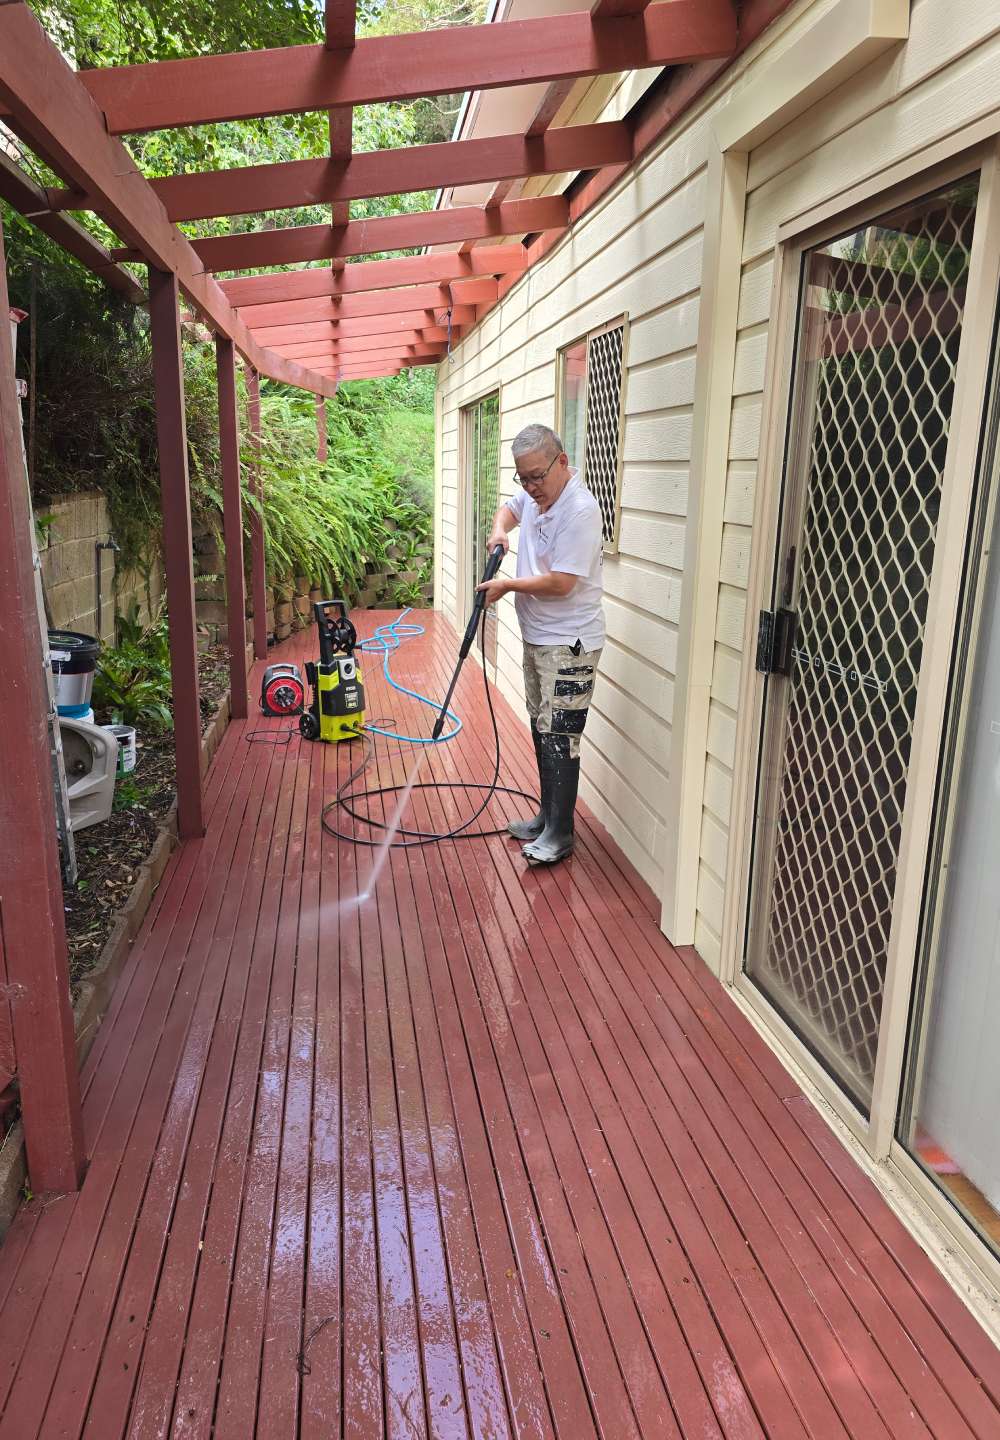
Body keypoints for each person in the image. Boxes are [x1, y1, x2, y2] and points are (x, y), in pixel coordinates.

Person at [478, 423, 604, 864]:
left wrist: (508, 584)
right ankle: (545, 819)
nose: (530, 487)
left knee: (561, 735)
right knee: (541, 726)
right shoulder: (534, 496)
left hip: (570, 644)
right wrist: (499, 532)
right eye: (523, 478)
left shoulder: (580, 510)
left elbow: (562, 583)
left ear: (561, 462)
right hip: (538, 637)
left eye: (537, 476)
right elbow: (506, 511)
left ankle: (561, 833)